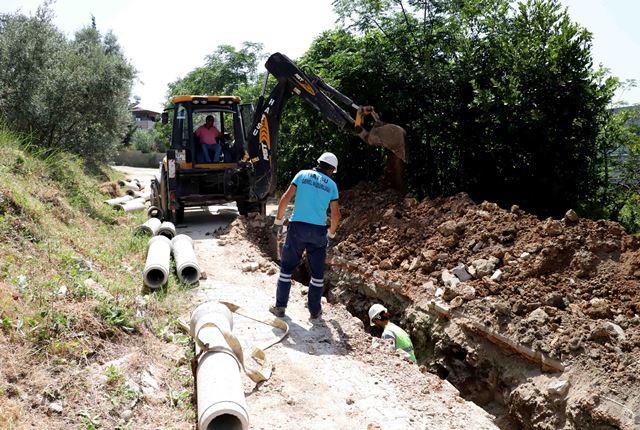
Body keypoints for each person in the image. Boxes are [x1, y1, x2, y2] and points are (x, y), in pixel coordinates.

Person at [269, 152, 341, 319]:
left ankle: (280, 307)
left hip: (297, 229)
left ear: (318, 163)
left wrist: (278, 223)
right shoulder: (331, 185)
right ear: (331, 169)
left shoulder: (302, 175)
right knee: (317, 275)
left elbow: (285, 198)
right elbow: (336, 216)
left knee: (286, 269)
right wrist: (330, 235)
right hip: (318, 232)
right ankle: (315, 311)